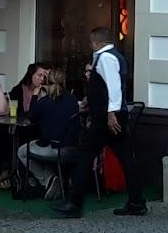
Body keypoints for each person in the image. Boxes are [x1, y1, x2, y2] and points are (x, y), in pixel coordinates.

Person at [53, 27, 146, 219]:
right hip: (111, 115)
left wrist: (111, 113)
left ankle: (74, 203)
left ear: (97, 42)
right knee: (127, 158)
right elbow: (106, 87)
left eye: (91, 42)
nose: (90, 45)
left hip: (105, 118)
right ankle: (137, 201)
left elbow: (113, 87)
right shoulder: (112, 56)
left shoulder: (106, 58)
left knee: (85, 156)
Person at [17, 68, 79, 199]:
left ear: (47, 83)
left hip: (54, 148)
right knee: (42, 149)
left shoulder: (44, 102)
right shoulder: (73, 100)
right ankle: (56, 181)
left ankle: (48, 180)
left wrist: (35, 94)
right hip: (72, 148)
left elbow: (31, 117)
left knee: (22, 151)